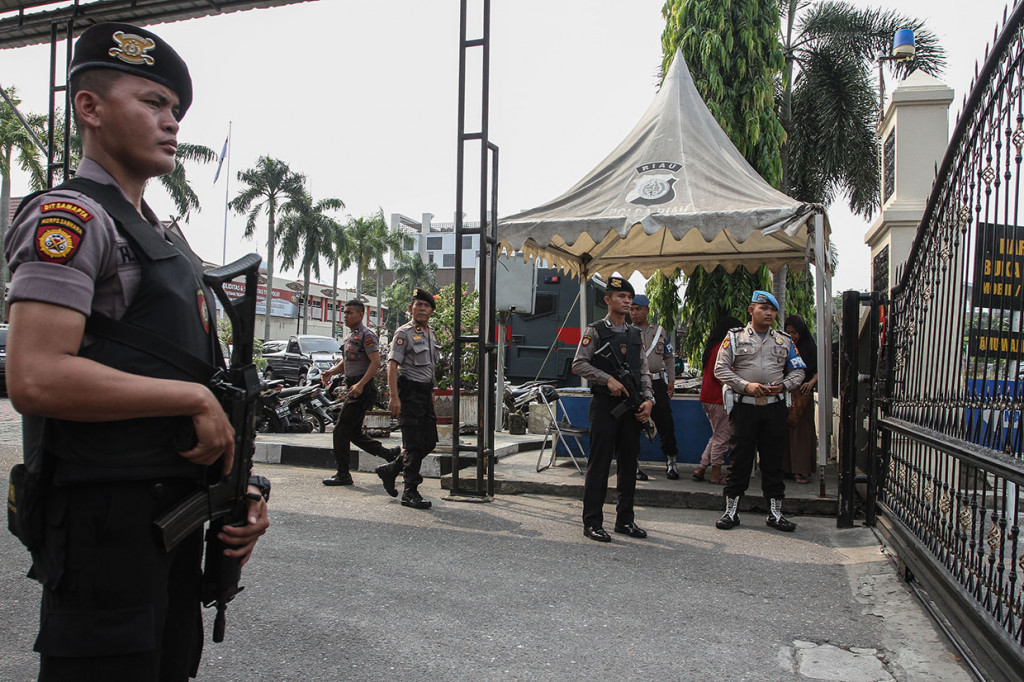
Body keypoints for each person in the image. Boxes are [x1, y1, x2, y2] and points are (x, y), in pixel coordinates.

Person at [4, 23, 269, 680]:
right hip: (103, 531)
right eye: (152, 102)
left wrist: (239, 492)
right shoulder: (72, 219)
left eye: (175, 109)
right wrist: (190, 398)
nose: (171, 121)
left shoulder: (168, 242)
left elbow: (194, 373)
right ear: (90, 108)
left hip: (166, 528)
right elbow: (34, 376)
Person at [714, 291, 805, 532]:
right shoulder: (734, 338)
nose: (769, 313)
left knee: (773, 462)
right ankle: (731, 511)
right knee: (739, 460)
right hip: (745, 408)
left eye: (772, 310)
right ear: (751, 310)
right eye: (763, 308)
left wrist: (784, 385)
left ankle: (775, 513)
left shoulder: (784, 340)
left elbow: (799, 371)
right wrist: (747, 386)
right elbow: (720, 370)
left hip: (774, 409)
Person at [572, 276, 655, 542]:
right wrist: (607, 379)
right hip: (605, 406)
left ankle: (625, 520)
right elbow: (579, 364)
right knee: (600, 465)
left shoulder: (635, 334)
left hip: (632, 408)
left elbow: (644, 371)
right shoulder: (594, 330)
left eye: (629, 298)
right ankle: (592, 521)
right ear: (608, 300)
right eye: (621, 297)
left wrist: (649, 401)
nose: (627, 301)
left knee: (629, 465)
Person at [320, 299, 401, 486]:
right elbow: (348, 363)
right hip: (354, 386)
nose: (345, 316)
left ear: (360, 315)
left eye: (349, 312)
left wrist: (360, 385)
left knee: (340, 430)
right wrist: (331, 372)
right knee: (353, 433)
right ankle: (389, 454)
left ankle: (343, 474)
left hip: (362, 389)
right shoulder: (351, 336)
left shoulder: (367, 335)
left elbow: (375, 362)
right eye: (344, 312)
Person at [376, 287, 439, 509]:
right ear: (411, 308)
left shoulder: (431, 334)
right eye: (418, 305)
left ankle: (392, 468)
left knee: (429, 441)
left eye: (426, 306)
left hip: (424, 392)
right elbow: (392, 365)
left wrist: (431, 393)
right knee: (413, 444)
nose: (422, 309)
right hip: (410, 392)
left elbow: (430, 368)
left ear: (431, 310)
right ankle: (410, 491)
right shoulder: (404, 333)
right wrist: (394, 397)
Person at [630, 294, 679, 479]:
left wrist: (671, 381)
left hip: (657, 382)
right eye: (632, 309)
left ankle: (671, 462)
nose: (634, 313)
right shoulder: (626, 331)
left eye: (638, 309)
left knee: (665, 422)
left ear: (647, 310)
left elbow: (669, 357)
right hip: (635, 384)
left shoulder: (659, 331)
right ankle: (632, 464)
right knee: (633, 424)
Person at [694, 315, 742, 485]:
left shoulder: (712, 348)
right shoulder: (723, 348)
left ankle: (701, 468)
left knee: (717, 435)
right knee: (722, 437)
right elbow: (722, 375)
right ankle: (715, 474)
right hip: (719, 398)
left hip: (709, 397)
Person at [783, 314, 819, 485]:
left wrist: (811, 383)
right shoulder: (783, 347)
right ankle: (786, 468)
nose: (791, 336)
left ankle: (800, 470)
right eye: (788, 332)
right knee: (786, 432)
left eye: (794, 332)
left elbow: (819, 369)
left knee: (801, 433)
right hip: (785, 393)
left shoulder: (810, 348)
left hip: (803, 394)